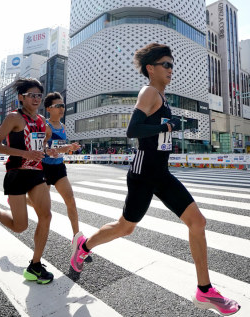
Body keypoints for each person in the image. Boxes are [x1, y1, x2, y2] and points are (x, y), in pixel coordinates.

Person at [69, 43, 240, 315]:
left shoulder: (162, 96)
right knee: (125, 228)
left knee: (197, 221)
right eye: (166, 65)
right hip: (143, 173)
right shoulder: (149, 92)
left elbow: (159, 131)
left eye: (173, 65)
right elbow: (132, 130)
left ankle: (204, 290)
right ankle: (84, 245)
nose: (171, 69)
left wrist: (173, 126)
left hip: (161, 173)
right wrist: (164, 125)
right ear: (151, 68)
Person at [0, 78, 56, 284]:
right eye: (31, 95)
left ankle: (35, 266)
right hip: (16, 173)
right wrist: (25, 153)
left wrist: (48, 151)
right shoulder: (14, 118)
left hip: (36, 173)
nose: (35, 99)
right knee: (20, 227)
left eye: (38, 95)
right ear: (21, 97)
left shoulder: (42, 121)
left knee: (46, 216)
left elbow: (40, 147)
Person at [42, 92, 83, 247]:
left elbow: (62, 150)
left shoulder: (63, 127)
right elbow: (42, 146)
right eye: (57, 106)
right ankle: (23, 200)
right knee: (43, 206)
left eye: (63, 106)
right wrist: (48, 149)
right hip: (44, 169)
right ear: (48, 109)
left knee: (71, 201)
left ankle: (77, 239)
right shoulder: (46, 127)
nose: (61, 109)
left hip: (59, 168)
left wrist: (70, 148)